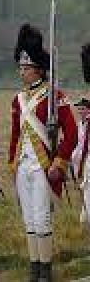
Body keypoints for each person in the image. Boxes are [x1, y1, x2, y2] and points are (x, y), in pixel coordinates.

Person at [9, 24, 78, 281]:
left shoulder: (54, 96)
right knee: (28, 219)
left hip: (44, 165)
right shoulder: (18, 99)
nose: (21, 71)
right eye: (21, 67)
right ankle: (34, 267)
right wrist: (12, 163)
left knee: (41, 218)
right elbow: (16, 135)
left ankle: (45, 271)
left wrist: (58, 162)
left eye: (25, 67)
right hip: (23, 165)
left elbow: (71, 134)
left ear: (38, 69)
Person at [72, 98, 90, 230]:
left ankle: (86, 218)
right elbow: (78, 144)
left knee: (87, 186)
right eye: (79, 108)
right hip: (82, 159)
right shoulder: (80, 124)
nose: (80, 111)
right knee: (86, 186)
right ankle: (85, 217)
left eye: (83, 108)